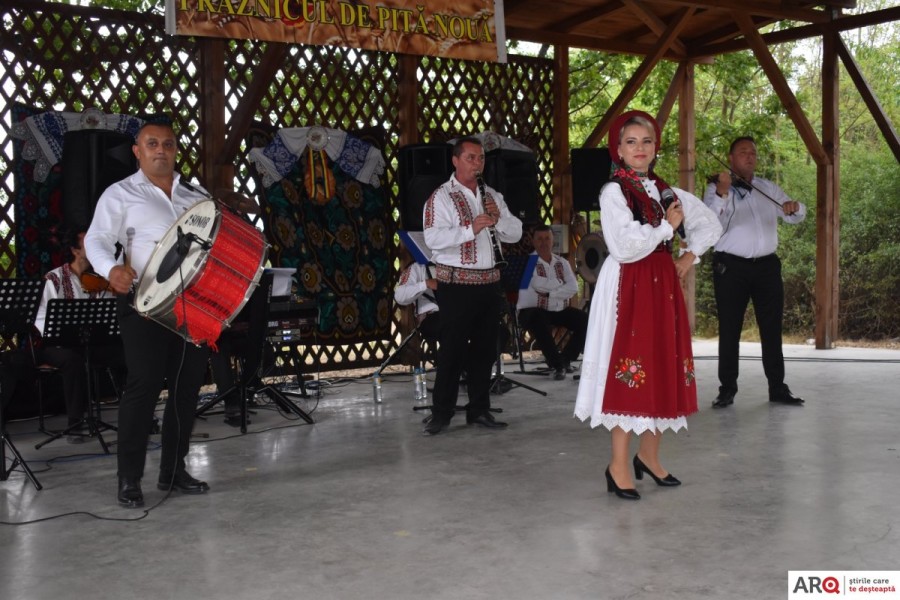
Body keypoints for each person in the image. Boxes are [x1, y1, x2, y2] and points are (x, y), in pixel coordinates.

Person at [574, 110, 721, 500]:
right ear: (619, 150)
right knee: (630, 367)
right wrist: (667, 228)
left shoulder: (666, 190)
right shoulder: (613, 192)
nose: (639, 148)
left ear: (655, 147)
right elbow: (624, 246)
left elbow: (711, 223)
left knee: (660, 366)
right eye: (631, 142)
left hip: (661, 284)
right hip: (629, 283)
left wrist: (688, 258)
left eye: (646, 141)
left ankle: (649, 456)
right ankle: (618, 465)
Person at [85, 121, 212, 508]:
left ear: (175, 150)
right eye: (152, 143)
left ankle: (173, 470)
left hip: (193, 306)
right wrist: (110, 270)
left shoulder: (196, 195)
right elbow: (96, 239)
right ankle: (129, 478)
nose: (161, 150)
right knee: (143, 387)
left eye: (168, 144)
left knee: (186, 388)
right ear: (137, 152)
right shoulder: (120, 193)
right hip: (144, 305)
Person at [421, 136, 522, 435]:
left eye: (481, 158)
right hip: (456, 285)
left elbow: (516, 233)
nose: (477, 163)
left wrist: (498, 220)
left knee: (484, 350)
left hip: (489, 284)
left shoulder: (493, 195)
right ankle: (441, 413)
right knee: (452, 350)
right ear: (455, 160)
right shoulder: (440, 197)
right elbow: (433, 238)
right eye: (471, 158)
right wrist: (470, 228)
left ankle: (479, 410)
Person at [703, 136, 806, 408]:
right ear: (731, 158)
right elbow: (710, 223)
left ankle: (777, 387)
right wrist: (723, 193)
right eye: (743, 152)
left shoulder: (767, 187)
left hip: (766, 267)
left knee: (772, 328)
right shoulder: (716, 189)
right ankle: (727, 388)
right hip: (731, 267)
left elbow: (795, 215)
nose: (749, 156)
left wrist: (794, 207)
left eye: (753, 153)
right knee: (730, 328)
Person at [33, 230, 117, 443]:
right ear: (75, 250)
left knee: (124, 353)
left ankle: (136, 416)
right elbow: (40, 315)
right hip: (56, 346)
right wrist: (57, 334)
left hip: (88, 342)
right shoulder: (54, 279)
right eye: (88, 242)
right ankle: (74, 424)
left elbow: (108, 313)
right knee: (72, 360)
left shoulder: (98, 279)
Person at [516, 224, 588, 380]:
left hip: (557, 309)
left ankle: (566, 359)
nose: (544, 242)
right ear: (533, 242)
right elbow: (537, 285)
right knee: (538, 319)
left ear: (553, 240)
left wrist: (550, 293)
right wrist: (561, 284)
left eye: (547, 238)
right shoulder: (527, 263)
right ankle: (557, 365)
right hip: (531, 310)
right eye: (539, 239)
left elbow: (574, 287)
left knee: (586, 320)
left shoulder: (562, 262)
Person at [393, 260, 440, 347]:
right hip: (432, 317)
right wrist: (426, 284)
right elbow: (399, 296)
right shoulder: (417, 267)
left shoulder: (454, 261)